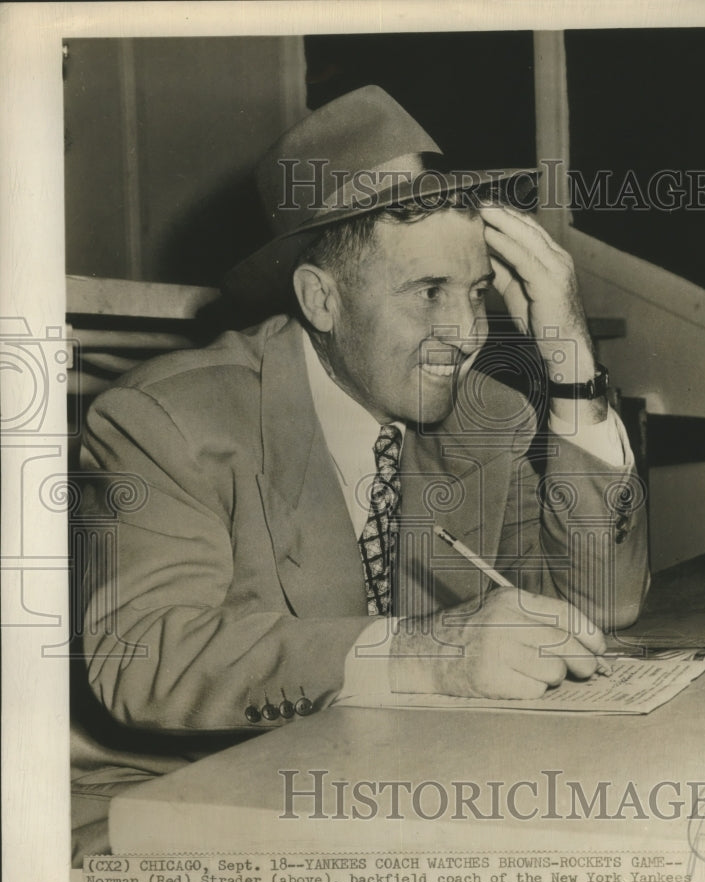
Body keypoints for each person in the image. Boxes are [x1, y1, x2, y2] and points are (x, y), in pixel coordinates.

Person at [73, 87, 648, 834]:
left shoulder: (486, 417)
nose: (467, 332)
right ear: (320, 300)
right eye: (429, 292)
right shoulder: (167, 418)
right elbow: (147, 659)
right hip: (189, 808)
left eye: (477, 292)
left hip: (391, 789)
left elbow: (600, 604)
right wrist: (428, 653)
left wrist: (570, 360)